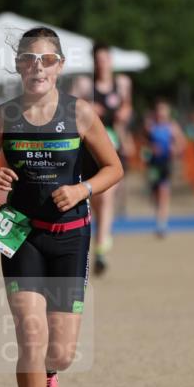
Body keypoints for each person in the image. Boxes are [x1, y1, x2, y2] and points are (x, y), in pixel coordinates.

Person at [0, 27, 123, 387]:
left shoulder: (81, 114)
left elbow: (115, 167)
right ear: (18, 66)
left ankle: (49, 374)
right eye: (29, 59)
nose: (37, 67)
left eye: (47, 60)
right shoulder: (1, 117)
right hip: (22, 235)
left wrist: (83, 189)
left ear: (59, 67)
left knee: (61, 353)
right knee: (29, 335)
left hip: (70, 235)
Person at [81, 42, 133, 276]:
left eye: (105, 59)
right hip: (89, 149)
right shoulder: (84, 84)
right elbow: (73, 110)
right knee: (95, 201)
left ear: (110, 61)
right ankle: (100, 238)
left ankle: (101, 249)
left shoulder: (122, 83)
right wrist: (88, 109)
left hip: (114, 147)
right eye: (98, 60)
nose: (102, 64)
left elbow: (127, 110)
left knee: (108, 195)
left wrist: (125, 114)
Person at [145, 98, 187, 236]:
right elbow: (144, 145)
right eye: (159, 110)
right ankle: (158, 214)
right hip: (153, 164)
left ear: (168, 113)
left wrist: (174, 149)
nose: (161, 113)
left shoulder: (172, 127)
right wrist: (151, 148)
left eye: (164, 110)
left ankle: (162, 223)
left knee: (164, 192)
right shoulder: (151, 126)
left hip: (165, 163)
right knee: (155, 193)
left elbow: (182, 143)